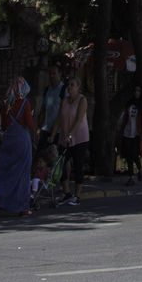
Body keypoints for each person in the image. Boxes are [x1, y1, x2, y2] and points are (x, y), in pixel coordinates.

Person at [0, 76, 37, 220]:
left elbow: (3, 126)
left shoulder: (6, 104)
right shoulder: (25, 103)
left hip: (9, 139)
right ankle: (22, 206)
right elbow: (30, 124)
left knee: (4, 169)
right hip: (22, 139)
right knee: (22, 173)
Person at [55, 72, 90, 204]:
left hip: (79, 137)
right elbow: (59, 119)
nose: (69, 87)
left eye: (72, 85)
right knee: (62, 163)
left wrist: (71, 134)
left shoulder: (82, 100)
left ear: (78, 87)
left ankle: (77, 195)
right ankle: (66, 192)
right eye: (68, 85)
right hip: (64, 138)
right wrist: (53, 134)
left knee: (78, 165)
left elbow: (79, 119)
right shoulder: (64, 101)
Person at [118, 81, 142, 184]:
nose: (136, 93)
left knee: (134, 153)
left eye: (139, 91)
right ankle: (131, 176)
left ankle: (140, 168)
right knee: (128, 154)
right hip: (127, 132)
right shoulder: (129, 104)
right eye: (135, 90)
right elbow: (124, 116)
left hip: (137, 133)